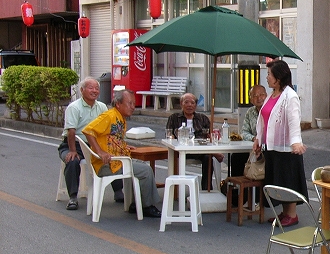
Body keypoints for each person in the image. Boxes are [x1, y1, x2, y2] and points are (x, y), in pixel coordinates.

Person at [83, 89, 162, 218]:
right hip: (107, 164)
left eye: (134, 104)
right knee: (146, 170)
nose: (132, 107)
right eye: (129, 103)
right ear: (118, 104)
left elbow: (112, 138)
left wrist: (123, 146)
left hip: (117, 161)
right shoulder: (109, 116)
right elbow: (88, 130)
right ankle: (147, 206)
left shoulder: (120, 117)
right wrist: (100, 152)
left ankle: (136, 203)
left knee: (140, 165)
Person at [253, 60, 307, 227]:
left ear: (278, 77)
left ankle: (292, 214)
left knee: (287, 181)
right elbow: (264, 119)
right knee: (278, 181)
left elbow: (293, 121)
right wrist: (258, 139)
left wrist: (296, 142)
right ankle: (284, 213)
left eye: (269, 74)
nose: (267, 78)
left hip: (286, 148)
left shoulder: (290, 96)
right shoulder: (272, 94)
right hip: (272, 147)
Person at [58, 77, 123, 211]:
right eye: (91, 88)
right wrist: (72, 150)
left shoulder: (102, 107)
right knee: (72, 161)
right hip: (73, 144)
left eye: (97, 88)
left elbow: (109, 129)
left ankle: (118, 192)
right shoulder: (74, 107)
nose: (94, 91)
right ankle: (73, 197)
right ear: (82, 90)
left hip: (95, 145)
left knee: (113, 156)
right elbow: (71, 132)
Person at [165, 93, 224, 191]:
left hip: (199, 150)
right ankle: (214, 153)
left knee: (207, 158)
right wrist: (172, 137)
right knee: (208, 154)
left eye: (192, 103)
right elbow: (169, 133)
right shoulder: (174, 118)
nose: (189, 105)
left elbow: (210, 135)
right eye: (186, 102)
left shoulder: (202, 118)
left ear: (196, 105)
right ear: (181, 104)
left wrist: (211, 137)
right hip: (182, 150)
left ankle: (206, 189)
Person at [225, 84, 267, 205]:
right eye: (255, 96)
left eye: (261, 95)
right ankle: (239, 194)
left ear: (266, 95)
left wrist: (260, 140)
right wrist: (254, 138)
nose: (259, 98)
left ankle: (259, 198)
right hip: (253, 147)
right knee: (236, 157)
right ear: (250, 99)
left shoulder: (270, 110)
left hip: (266, 148)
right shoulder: (250, 112)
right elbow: (244, 132)